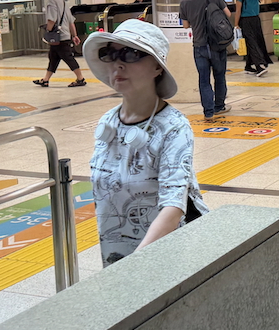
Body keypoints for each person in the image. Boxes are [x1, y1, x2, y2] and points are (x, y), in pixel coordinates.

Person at [83, 20, 208, 266]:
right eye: (110, 54)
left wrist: (135, 264)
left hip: (168, 259)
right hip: (117, 256)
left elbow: (174, 206)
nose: (118, 64)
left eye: (131, 54)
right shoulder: (108, 121)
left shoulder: (174, 127)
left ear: (157, 67)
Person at [178, 0, 231, 119]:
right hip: (217, 44)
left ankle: (208, 112)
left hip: (199, 46)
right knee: (219, 76)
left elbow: (186, 25)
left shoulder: (185, 2)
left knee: (204, 79)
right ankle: (219, 106)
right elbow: (228, 14)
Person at [34, 0, 87, 88]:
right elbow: (71, 21)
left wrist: (48, 31)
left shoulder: (51, 2)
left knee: (68, 57)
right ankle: (45, 80)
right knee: (53, 57)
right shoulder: (64, 2)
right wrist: (74, 35)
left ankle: (80, 78)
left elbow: (51, 19)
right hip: (65, 36)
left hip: (59, 37)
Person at [236, 0, 271, 76]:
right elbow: (238, 11)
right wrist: (236, 24)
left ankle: (248, 66)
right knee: (251, 43)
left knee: (256, 42)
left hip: (255, 20)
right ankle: (259, 65)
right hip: (245, 21)